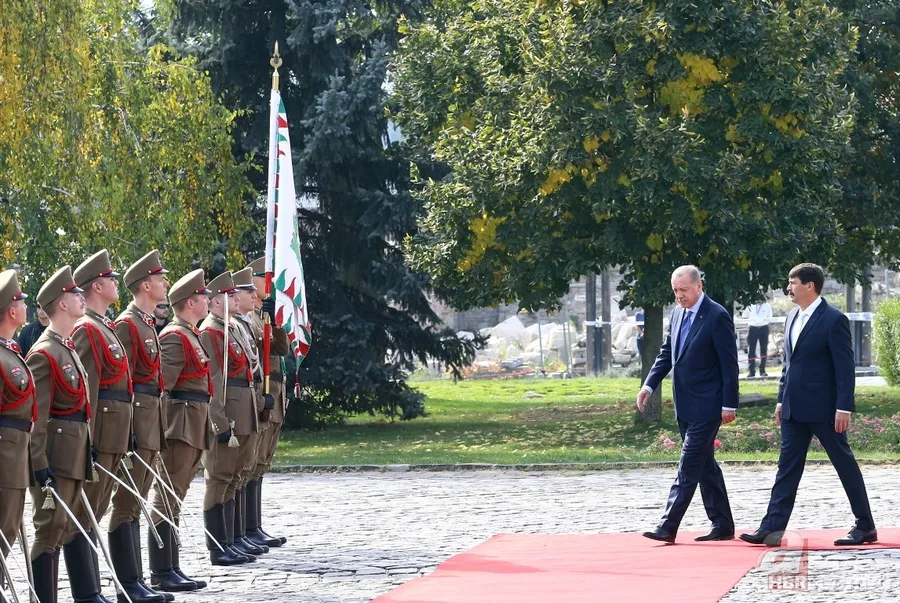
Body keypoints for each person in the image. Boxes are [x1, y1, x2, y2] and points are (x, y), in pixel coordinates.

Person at [740, 263, 876, 547]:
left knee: (844, 465)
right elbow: (789, 365)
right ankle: (771, 528)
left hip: (826, 411)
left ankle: (865, 526)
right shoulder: (791, 317)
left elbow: (844, 368)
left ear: (809, 285)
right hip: (793, 409)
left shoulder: (833, 319)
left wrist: (844, 407)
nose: (788, 288)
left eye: (792, 283)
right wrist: (780, 399)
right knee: (786, 469)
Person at [68, 249, 152, 603]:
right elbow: (88, 390)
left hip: (118, 430)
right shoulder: (87, 329)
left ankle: (124, 583)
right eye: (111, 279)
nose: (117, 284)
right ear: (97, 286)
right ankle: (88, 592)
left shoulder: (103, 326)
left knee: (101, 508)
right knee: (87, 511)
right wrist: (90, 437)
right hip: (102, 431)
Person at [637, 265, 739, 543]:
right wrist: (649, 385)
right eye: (675, 291)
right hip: (685, 403)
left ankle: (668, 525)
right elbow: (667, 353)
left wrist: (729, 403)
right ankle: (723, 524)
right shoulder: (677, 314)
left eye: (683, 290)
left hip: (709, 405)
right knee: (705, 465)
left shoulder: (717, 316)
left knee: (689, 463)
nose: (679, 296)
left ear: (698, 287)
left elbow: (729, 364)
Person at [111, 250, 179, 601]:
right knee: (126, 501)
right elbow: (126, 382)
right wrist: (132, 430)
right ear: (145, 285)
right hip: (138, 419)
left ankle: (137, 581)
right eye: (161, 278)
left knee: (135, 502)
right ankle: (128, 583)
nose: (167, 283)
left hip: (151, 416)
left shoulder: (148, 323)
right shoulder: (128, 324)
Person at [26, 266, 91, 603]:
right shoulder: (44, 352)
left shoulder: (65, 347)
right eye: (75, 294)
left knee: (63, 527)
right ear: (61, 304)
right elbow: (36, 416)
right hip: (55, 456)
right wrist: (38, 463)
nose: (82, 298)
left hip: (74, 451)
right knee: (49, 530)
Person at [150, 269, 212, 591]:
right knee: (167, 494)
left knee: (178, 494)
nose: (208, 301)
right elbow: (164, 386)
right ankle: (161, 571)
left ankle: (171, 565)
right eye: (203, 297)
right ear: (190, 302)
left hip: (194, 418)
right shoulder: (175, 336)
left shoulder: (190, 332)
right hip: (181, 421)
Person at [198, 272, 258, 566]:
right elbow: (213, 380)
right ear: (217, 301)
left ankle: (231, 540)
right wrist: (218, 420)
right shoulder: (211, 331)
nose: (237, 298)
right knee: (219, 479)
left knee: (234, 477)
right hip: (228, 412)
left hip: (242, 408)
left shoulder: (230, 328)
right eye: (230, 295)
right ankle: (217, 545)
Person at [245, 256, 288, 548]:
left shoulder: (264, 314)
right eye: (265, 279)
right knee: (251, 462)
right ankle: (246, 528)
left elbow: (282, 349)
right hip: (262, 390)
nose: (270, 285)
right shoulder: (249, 317)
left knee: (262, 463)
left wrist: (275, 321)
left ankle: (254, 525)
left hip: (277, 390)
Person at [228, 267, 270, 557]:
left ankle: (243, 532)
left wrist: (274, 319)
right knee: (225, 477)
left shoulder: (247, 322)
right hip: (236, 405)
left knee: (251, 467)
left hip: (256, 397)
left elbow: (276, 348)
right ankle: (227, 540)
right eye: (250, 290)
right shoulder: (218, 329)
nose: (256, 294)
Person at [0, 271, 36, 600]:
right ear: (12, 311)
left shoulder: (11, 349)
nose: (26, 305)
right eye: (22, 301)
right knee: (4, 527)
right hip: (5, 451)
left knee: (8, 526)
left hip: (16, 450)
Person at [742, 297, 773, 377]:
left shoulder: (767, 306)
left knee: (764, 349)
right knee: (751, 350)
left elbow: (770, 317)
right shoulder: (750, 305)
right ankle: (751, 371)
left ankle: (762, 370)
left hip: (764, 327)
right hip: (752, 328)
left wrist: (762, 321)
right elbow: (744, 315)